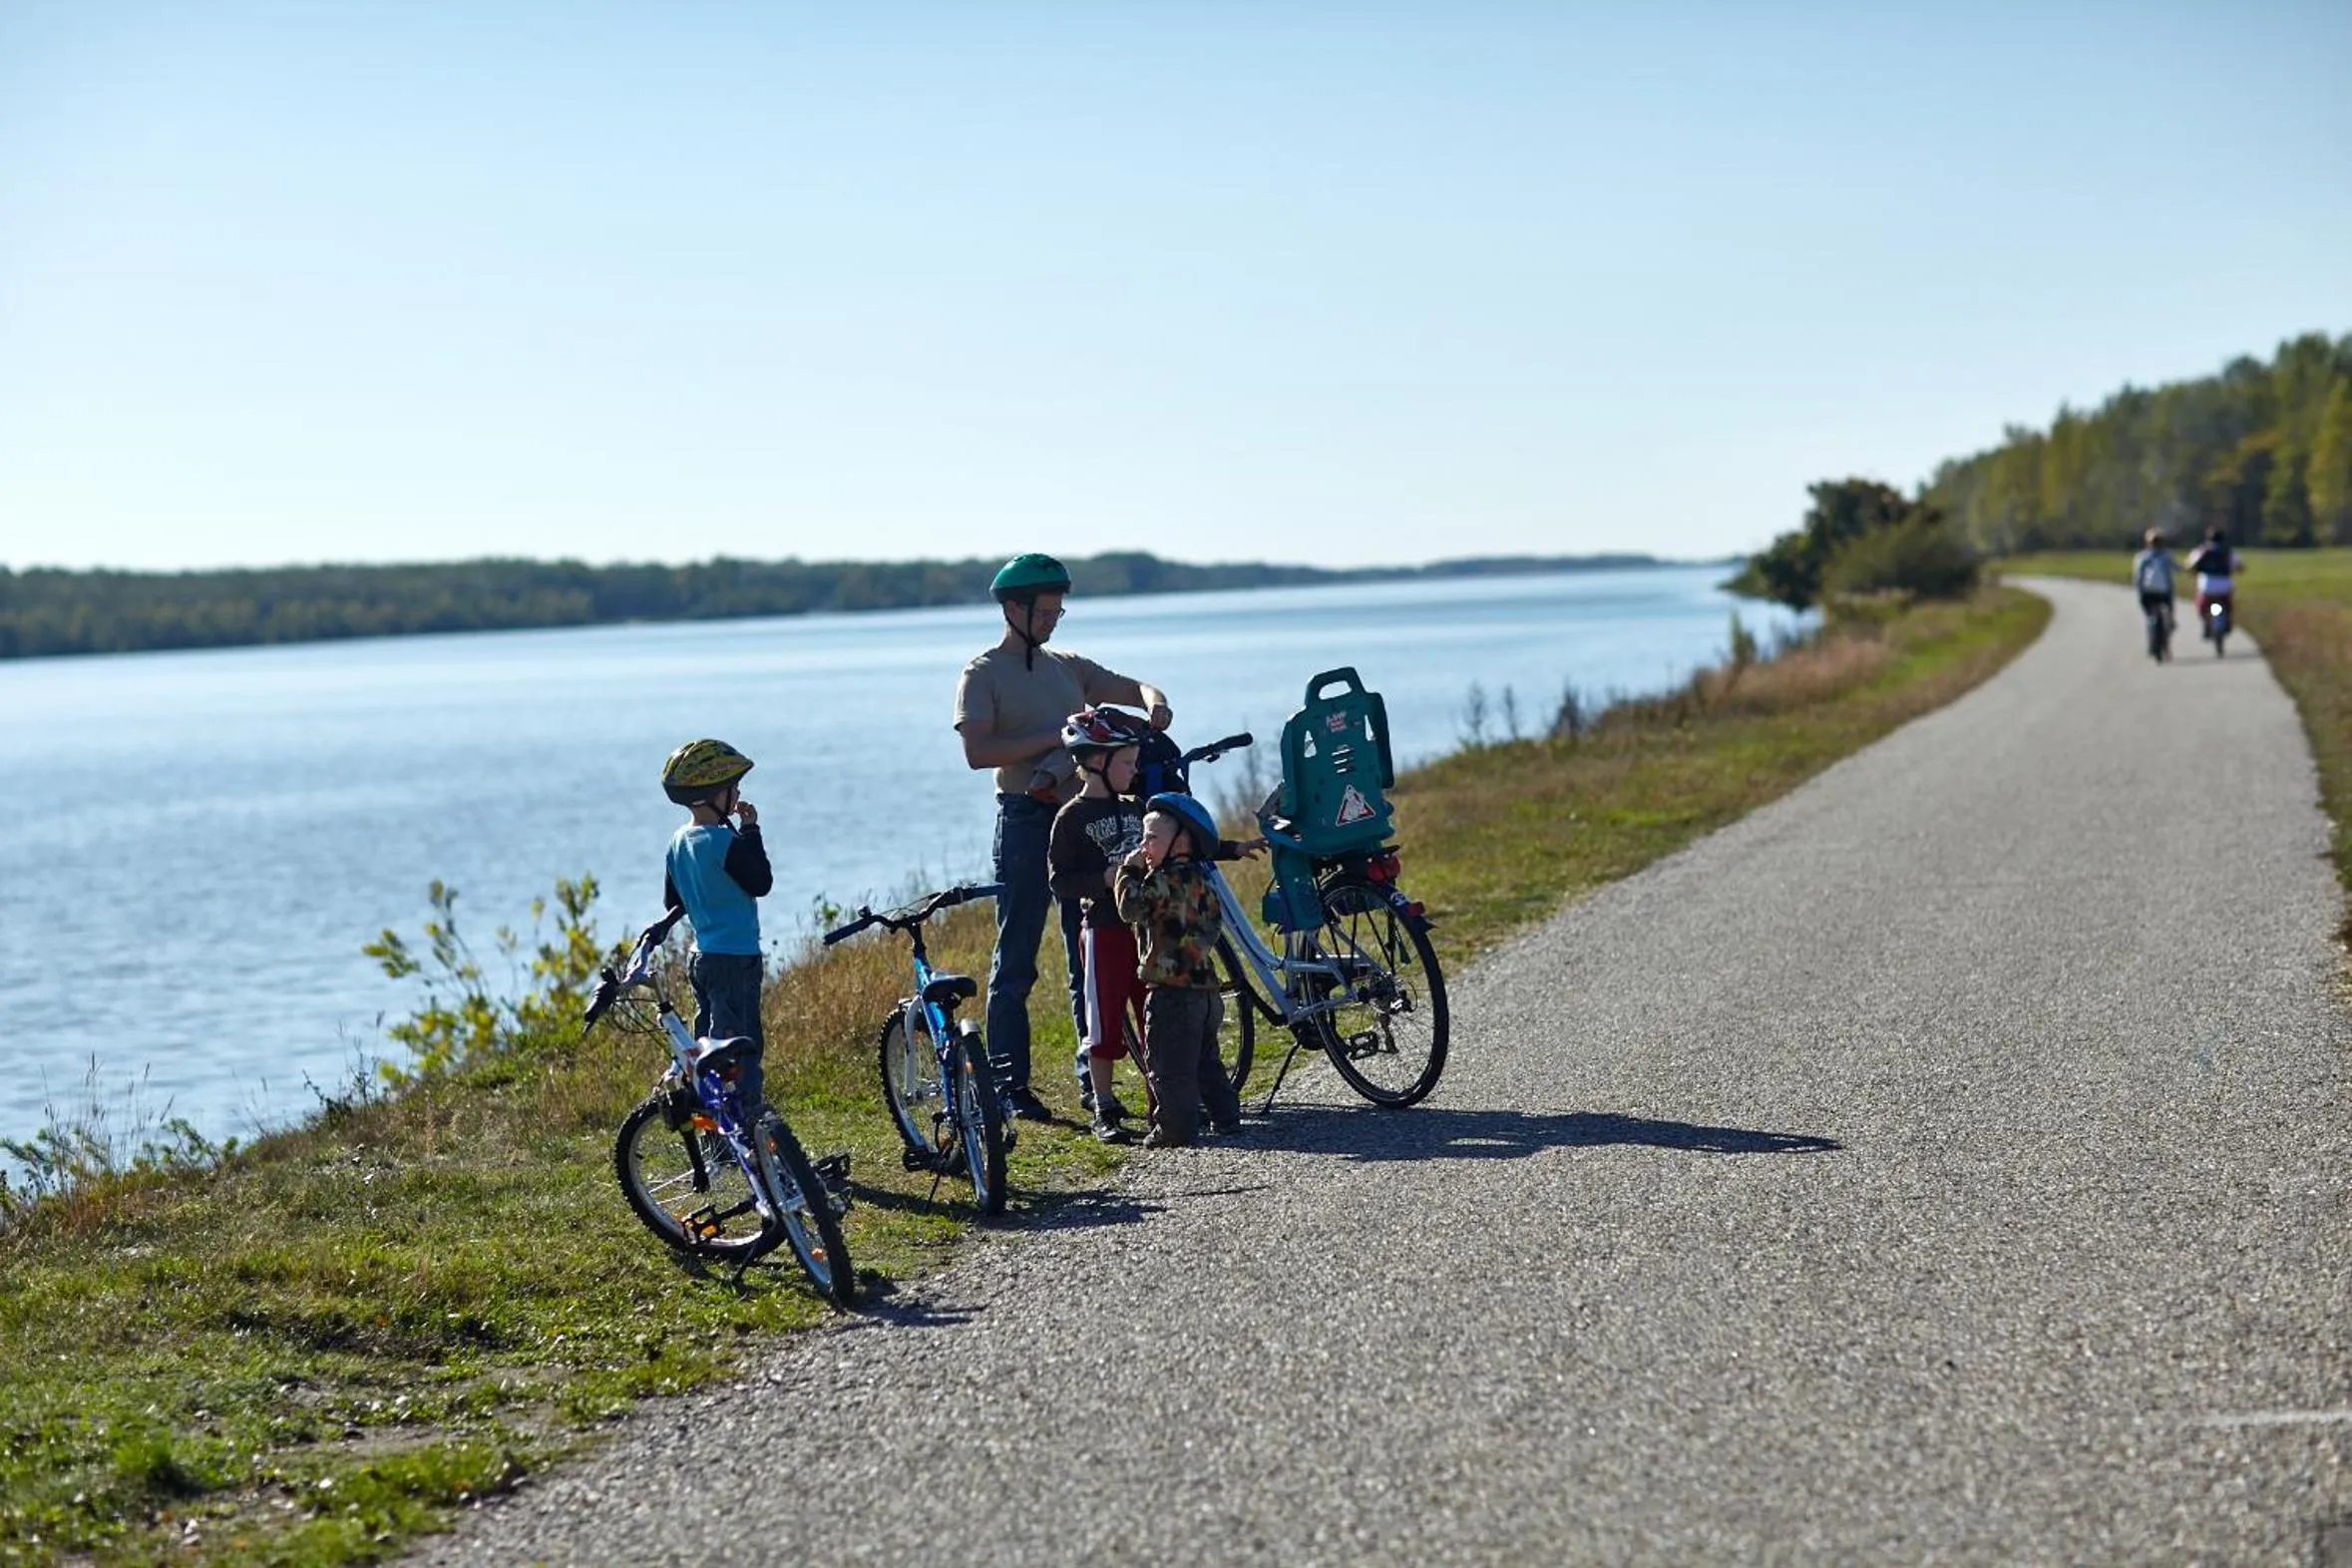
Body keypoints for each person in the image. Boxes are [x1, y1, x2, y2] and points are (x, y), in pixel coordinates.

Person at [954, 554, 1172, 1119]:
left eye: (1059, 610)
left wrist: (1155, 703)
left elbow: (1138, 686)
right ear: (1013, 609)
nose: (1053, 620)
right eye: (1045, 611)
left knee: (1087, 954)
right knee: (1018, 954)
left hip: (1081, 820)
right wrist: (1060, 736)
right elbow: (978, 752)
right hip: (1025, 818)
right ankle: (1008, 1084)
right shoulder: (982, 673)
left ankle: (1092, 1085)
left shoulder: (1068, 666)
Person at [1112, 792, 1258, 1148]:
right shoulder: (1201, 881)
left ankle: (1174, 1129)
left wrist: (1127, 871)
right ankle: (1226, 1117)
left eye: (1152, 838)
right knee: (1206, 1061)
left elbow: (1129, 909)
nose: (1143, 845)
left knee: (1168, 1066)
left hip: (1171, 993)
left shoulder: (1159, 883)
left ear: (1181, 843)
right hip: (1206, 989)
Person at [1048, 707, 1155, 1142]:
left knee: (1155, 1014)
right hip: (1104, 931)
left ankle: (1163, 1097)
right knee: (1103, 1021)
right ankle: (1105, 1107)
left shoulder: (1139, 809)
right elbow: (1058, 880)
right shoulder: (1070, 818)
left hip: (1146, 931)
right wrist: (1104, 879)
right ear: (1097, 762)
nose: (1135, 770)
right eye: (1127, 763)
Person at [658, 738, 775, 1115]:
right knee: (741, 1048)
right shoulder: (726, 841)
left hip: (701, 957)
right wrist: (752, 831)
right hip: (736, 958)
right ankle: (751, 1128)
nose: (738, 792)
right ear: (714, 794)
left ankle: (714, 1130)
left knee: (707, 1045)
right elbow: (761, 882)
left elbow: (672, 902)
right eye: (733, 787)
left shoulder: (678, 841)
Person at [2185, 526, 2240, 641]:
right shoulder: (2227, 551)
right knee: (2227, 607)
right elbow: (2238, 565)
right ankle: (2227, 623)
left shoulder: (2201, 550)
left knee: (2202, 608)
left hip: (2207, 585)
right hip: (2224, 585)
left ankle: (2206, 624)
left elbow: (2190, 565)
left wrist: (2192, 572)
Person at [2132, 528, 2175, 654]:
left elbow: (2137, 575)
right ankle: (2168, 634)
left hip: (2147, 592)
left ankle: (2152, 642)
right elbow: (2176, 568)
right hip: (2164, 591)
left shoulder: (2142, 557)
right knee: (2168, 615)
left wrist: (2138, 588)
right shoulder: (2166, 556)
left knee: (2149, 617)